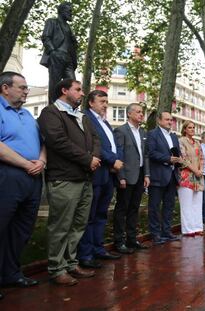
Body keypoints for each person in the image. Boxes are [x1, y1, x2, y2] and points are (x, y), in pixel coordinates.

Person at [38, 78, 100, 286]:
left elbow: (95, 138)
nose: (82, 94)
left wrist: (95, 158)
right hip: (64, 179)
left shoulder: (82, 116)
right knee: (61, 226)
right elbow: (57, 141)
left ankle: (71, 264)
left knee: (78, 225)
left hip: (84, 178)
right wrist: (87, 159)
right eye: (78, 90)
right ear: (64, 90)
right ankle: (56, 268)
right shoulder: (50, 113)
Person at [0, 72, 45, 298]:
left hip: (33, 178)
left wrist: (42, 161)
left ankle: (11, 273)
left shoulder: (28, 115)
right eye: (23, 87)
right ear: (5, 88)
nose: (27, 91)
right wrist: (26, 164)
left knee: (22, 229)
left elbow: (42, 143)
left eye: (27, 88)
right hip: (8, 175)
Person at [77, 90, 122, 268]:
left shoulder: (106, 122)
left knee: (101, 214)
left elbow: (112, 145)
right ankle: (86, 254)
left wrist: (117, 161)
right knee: (89, 215)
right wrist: (113, 159)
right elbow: (93, 145)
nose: (105, 104)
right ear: (90, 103)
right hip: (96, 173)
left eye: (106, 101)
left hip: (109, 174)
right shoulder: (86, 118)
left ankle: (98, 248)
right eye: (102, 101)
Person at [113, 103, 150, 253]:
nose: (141, 114)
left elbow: (145, 155)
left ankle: (132, 239)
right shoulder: (121, 131)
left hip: (140, 175)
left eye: (142, 112)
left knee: (134, 208)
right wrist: (120, 176)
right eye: (138, 112)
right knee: (122, 209)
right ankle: (119, 242)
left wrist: (147, 174)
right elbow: (118, 155)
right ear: (129, 114)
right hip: (126, 176)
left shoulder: (142, 132)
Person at [147, 112, 181, 245]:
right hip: (158, 175)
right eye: (167, 119)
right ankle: (155, 234)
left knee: (169, 205)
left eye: (171, 120)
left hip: (172, 176)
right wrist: (167, 159)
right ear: (159, 120)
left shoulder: (173, 136)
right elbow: (151, 152)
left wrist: (178, 160)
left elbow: (176, 152)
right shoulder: (152, 134)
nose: (170, 122)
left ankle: (166, 232)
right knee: (154, 206)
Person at [40, 2, 77, 104]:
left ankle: (71, 106)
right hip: (57, 55)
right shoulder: (52, 22)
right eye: (69, 11)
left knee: (72, 84)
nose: (71, 13)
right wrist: (52, 51)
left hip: (68, 58)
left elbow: (71, 45)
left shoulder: (69, 28)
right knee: (55, 83)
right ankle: (53, 107)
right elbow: (46, 37)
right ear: (61, 11)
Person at [178, 121, 205, 236]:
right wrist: (195, 170)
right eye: (190, 127)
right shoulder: (181, 141)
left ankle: (198, 227)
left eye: (193, 127)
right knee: (186, 204)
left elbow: (202, 158)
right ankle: (188, 229)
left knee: (197, 203)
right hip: (186, 176)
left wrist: (201, 170)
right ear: (184, 129)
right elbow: (183, 159)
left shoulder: (198, 143)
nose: (192, 129)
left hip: (198, 177)